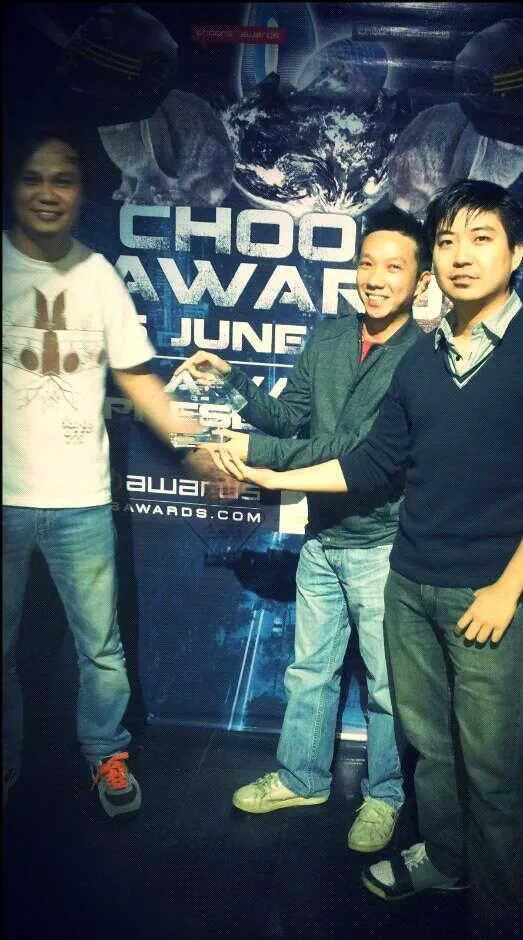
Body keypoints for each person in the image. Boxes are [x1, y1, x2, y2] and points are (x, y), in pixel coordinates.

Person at [207, 180, 523, 940]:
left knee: (490, 768)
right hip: (404, 579)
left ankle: (499, 924)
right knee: (432, 747)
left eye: (480, 239)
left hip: (479, 590)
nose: (460, 256)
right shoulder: (424, 359)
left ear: (517, 254)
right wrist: (270, 466)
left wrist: (508, 588)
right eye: (448, 240)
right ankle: (444, 861)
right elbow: (369, 460)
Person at [174, 206, 431, 853]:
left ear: (421, 281)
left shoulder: (422, 358)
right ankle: (302, 778)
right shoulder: (329, 336)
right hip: (321, 541)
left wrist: (254, 455)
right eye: (367, 263)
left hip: (383, 547)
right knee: (310, 672)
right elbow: (289, 417)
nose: (376, 278)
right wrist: (230, 381)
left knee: (387, 686)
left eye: (393, 266)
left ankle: (385, 796)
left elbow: (356, 451)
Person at [2, 123, 206, 816]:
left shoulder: (97, 276)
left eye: (62, 179)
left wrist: (200, 451)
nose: (47, 193)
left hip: (82, 503)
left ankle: (106, 754)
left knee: (102, 649)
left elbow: (140, 380)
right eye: (33, 178)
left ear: (83, 191)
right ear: (12, 187)